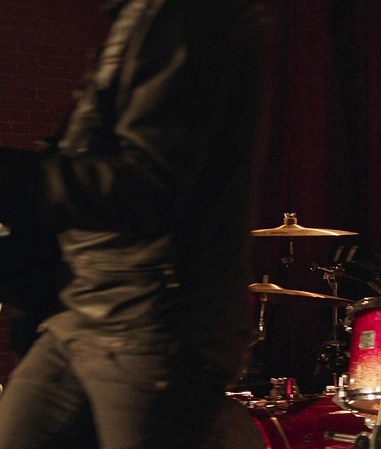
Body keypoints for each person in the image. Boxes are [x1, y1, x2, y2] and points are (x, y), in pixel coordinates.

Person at [0, 1, 277, 448]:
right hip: (85, 310)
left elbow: (151, 186)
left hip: (154, 325)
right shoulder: (145, 17)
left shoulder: (190, 16)